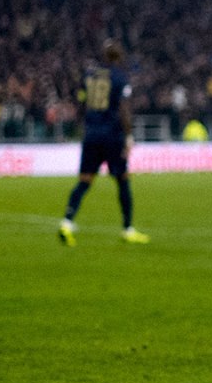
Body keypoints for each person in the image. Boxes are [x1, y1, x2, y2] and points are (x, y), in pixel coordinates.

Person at [58, 39, 150, 246]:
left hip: (91, 134)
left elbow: (82, 102)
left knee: (84, 180)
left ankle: (66, 222)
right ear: (119, 56)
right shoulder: (119, 77)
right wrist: (128, 135)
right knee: (123, 180)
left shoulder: (90, 75)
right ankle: (128, 229)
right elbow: (123, 108)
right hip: (112, 135)